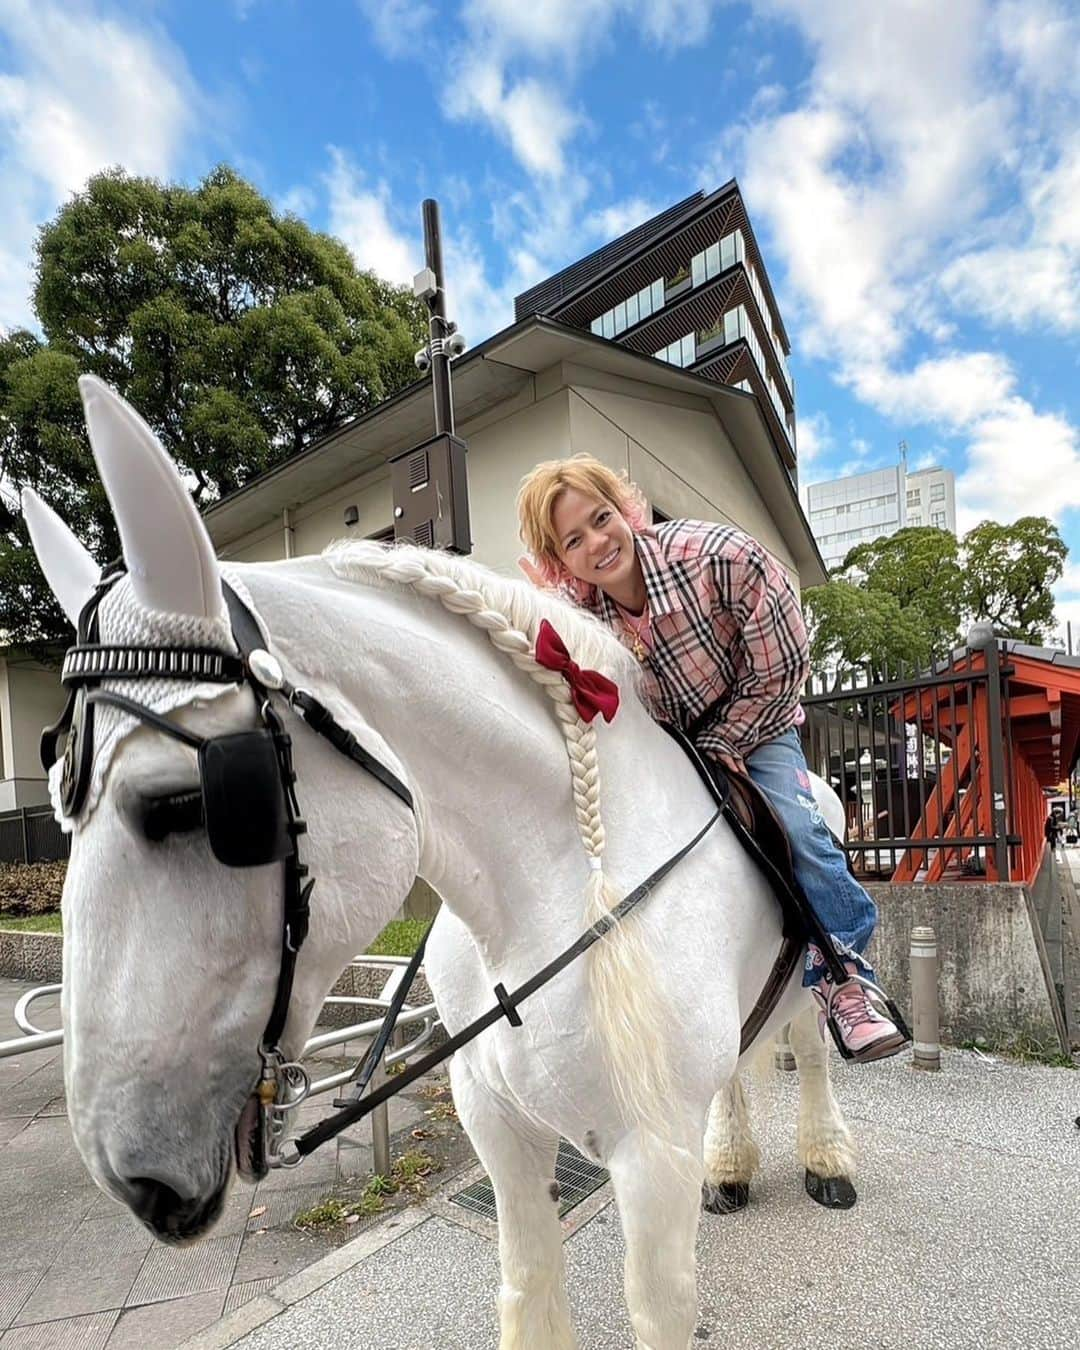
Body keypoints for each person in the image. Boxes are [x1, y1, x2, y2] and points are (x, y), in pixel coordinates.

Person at [516, 454, 908, 1062]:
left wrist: (727, 741)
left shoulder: (719, 556)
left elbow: (784, 667)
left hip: (758, 721)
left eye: (601, 518)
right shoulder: (583, 615)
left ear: (623, 508)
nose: (597, 542)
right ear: (561, 561)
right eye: (574, 540)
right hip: (674, 742)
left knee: (797, 828)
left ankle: (845, 975)